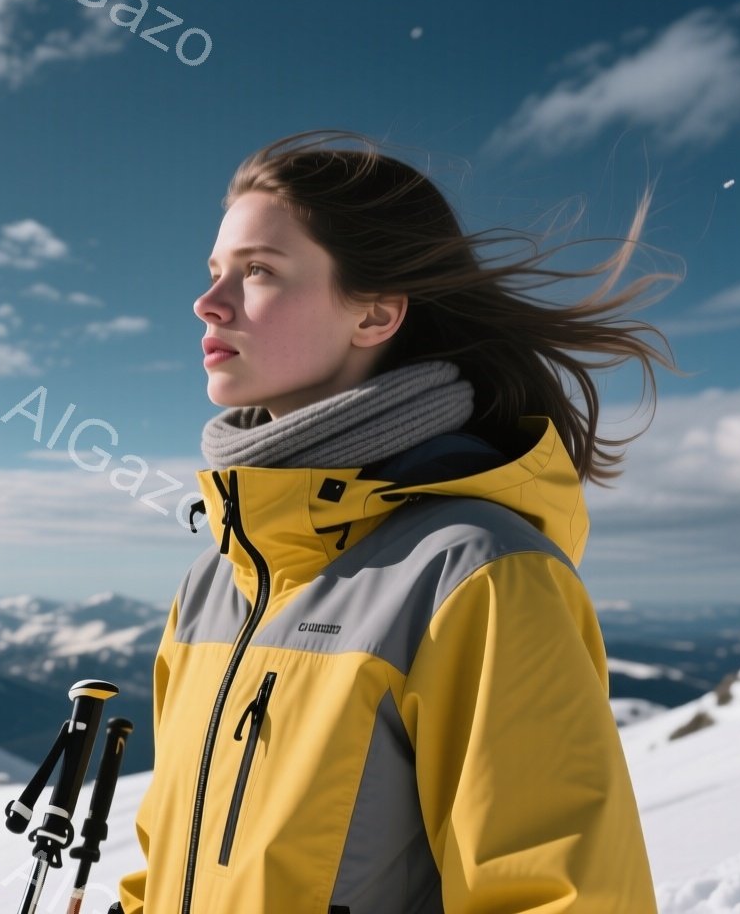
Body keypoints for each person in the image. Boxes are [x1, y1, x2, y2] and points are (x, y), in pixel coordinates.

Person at [107, 129, 685, 914]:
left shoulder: (480, 575)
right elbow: (168, 854)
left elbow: (554, 895)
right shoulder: (217, 579)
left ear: (374, 315)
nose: (209, 302)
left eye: (259, 272)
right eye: (215, 273)